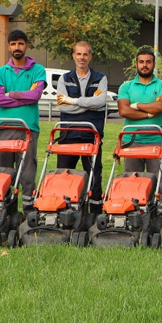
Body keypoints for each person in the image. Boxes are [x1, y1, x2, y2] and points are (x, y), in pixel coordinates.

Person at [0, 30, 47, 211]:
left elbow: (36, 95)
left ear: (27, 46)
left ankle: (28, 209)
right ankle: (6, 210)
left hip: (28, 129)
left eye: (21, 43)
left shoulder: (38, 70)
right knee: (3, 171)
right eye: (13, 44)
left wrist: (12, 94)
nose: (17, 47)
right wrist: (24, 98)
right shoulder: (0, 72)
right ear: (8, 47)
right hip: (4, 128)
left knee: (28, 171)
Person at [55, 41, 110, 213]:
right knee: (65, 174)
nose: (82, 58)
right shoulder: (65, 79)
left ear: (90, 56)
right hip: (68, 135)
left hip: (91, 136)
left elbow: (100, 102)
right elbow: (62, 106)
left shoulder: (100, 78)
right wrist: (88, 104)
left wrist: (74, 101)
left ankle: (94, 212)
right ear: (73, 56)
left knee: (94, 175)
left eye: (85, 54)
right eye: (78, 54)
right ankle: (63, 209)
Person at [115, 47, 162, 181]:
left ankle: (160, 203)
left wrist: (136, 105)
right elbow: (124, 111)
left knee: (159, 184)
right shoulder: (126, 86)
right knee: (132, 182)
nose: (144, 65)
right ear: (136, 64)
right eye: (141, 62)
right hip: (131, 141)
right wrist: (148, 114)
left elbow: (161, 106)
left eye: (148, 62)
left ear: (154, 64)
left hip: (156, 141)